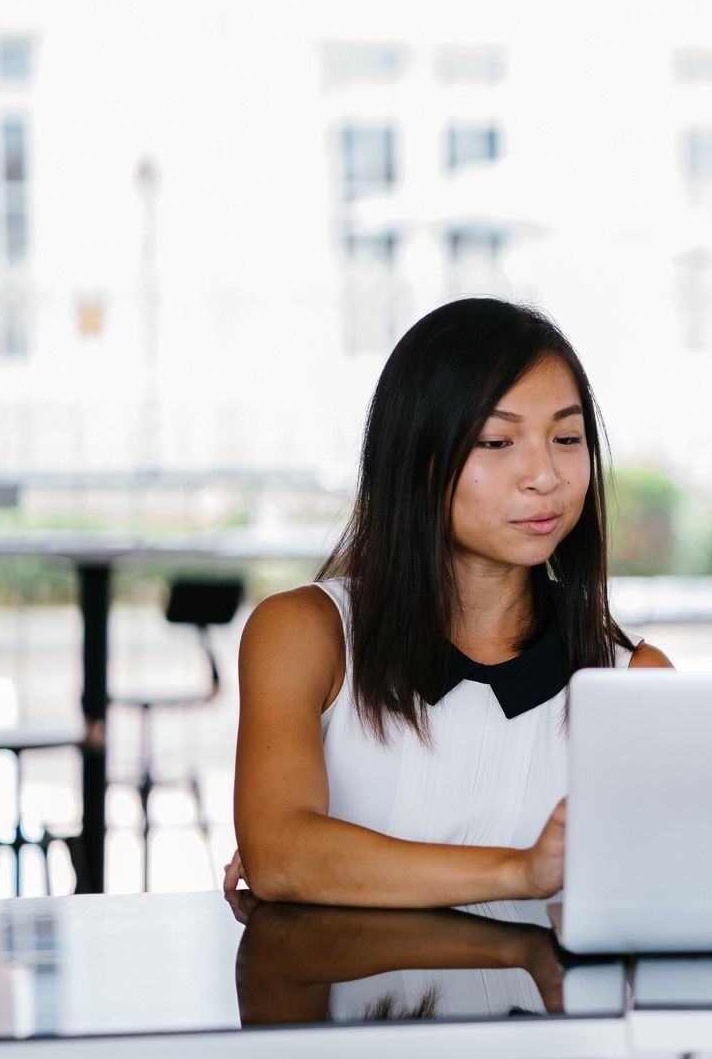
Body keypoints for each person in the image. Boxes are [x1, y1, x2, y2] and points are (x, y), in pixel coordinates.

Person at [227, 296, 670, 912]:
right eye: (497, 441)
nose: (545, 474)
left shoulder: (634, 679)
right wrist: (522, 872)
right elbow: (281, 856)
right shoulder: (305, 635)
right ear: (417, 455)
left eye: (567, 437)